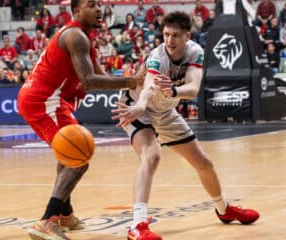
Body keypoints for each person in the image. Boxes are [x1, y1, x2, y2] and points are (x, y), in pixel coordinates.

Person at [111, 11, 260, 240]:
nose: (170, 40)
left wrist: (172, 90)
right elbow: (149, 85)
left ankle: (224, 210)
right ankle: (137, 225)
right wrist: (141, 105)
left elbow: (193, 88)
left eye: (176, 36)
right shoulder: (157, 56)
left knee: (204, 163)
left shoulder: (195, 52)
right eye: (166, 34)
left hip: (165, 110)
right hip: (137, 108)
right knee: (152, 155)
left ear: (187, 36)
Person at [17, 0, 145, 239]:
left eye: (99, 4)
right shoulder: (76, 36)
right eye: (91, 4)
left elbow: (102, 78)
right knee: (79, 158)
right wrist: (133, 80)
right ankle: (47, 220)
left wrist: (133, 81)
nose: (98, 9)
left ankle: (65, 215)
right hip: (44, 100)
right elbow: (89, 80)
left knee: (69, 155)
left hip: (49, 100)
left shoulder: (83, 38)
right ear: (76, 11)